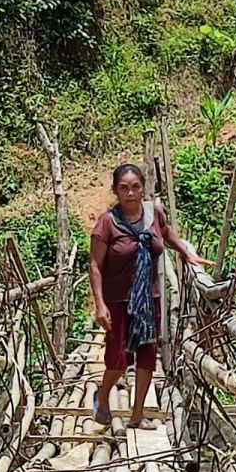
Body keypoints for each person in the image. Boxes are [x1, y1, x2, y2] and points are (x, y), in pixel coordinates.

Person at [89, 162, 212, 429]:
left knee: (147, 355)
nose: (130, 193)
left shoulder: (152, 213)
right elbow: (95, 265)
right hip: (118, 301)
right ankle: (103, 394)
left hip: (149, 300)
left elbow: (166, 234)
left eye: (135, 187)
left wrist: (186, 253)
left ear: (143, 188)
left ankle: (137, 414)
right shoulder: (107, 223)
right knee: (119, 357)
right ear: (115, 191)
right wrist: (100, 304)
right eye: (124, 188)